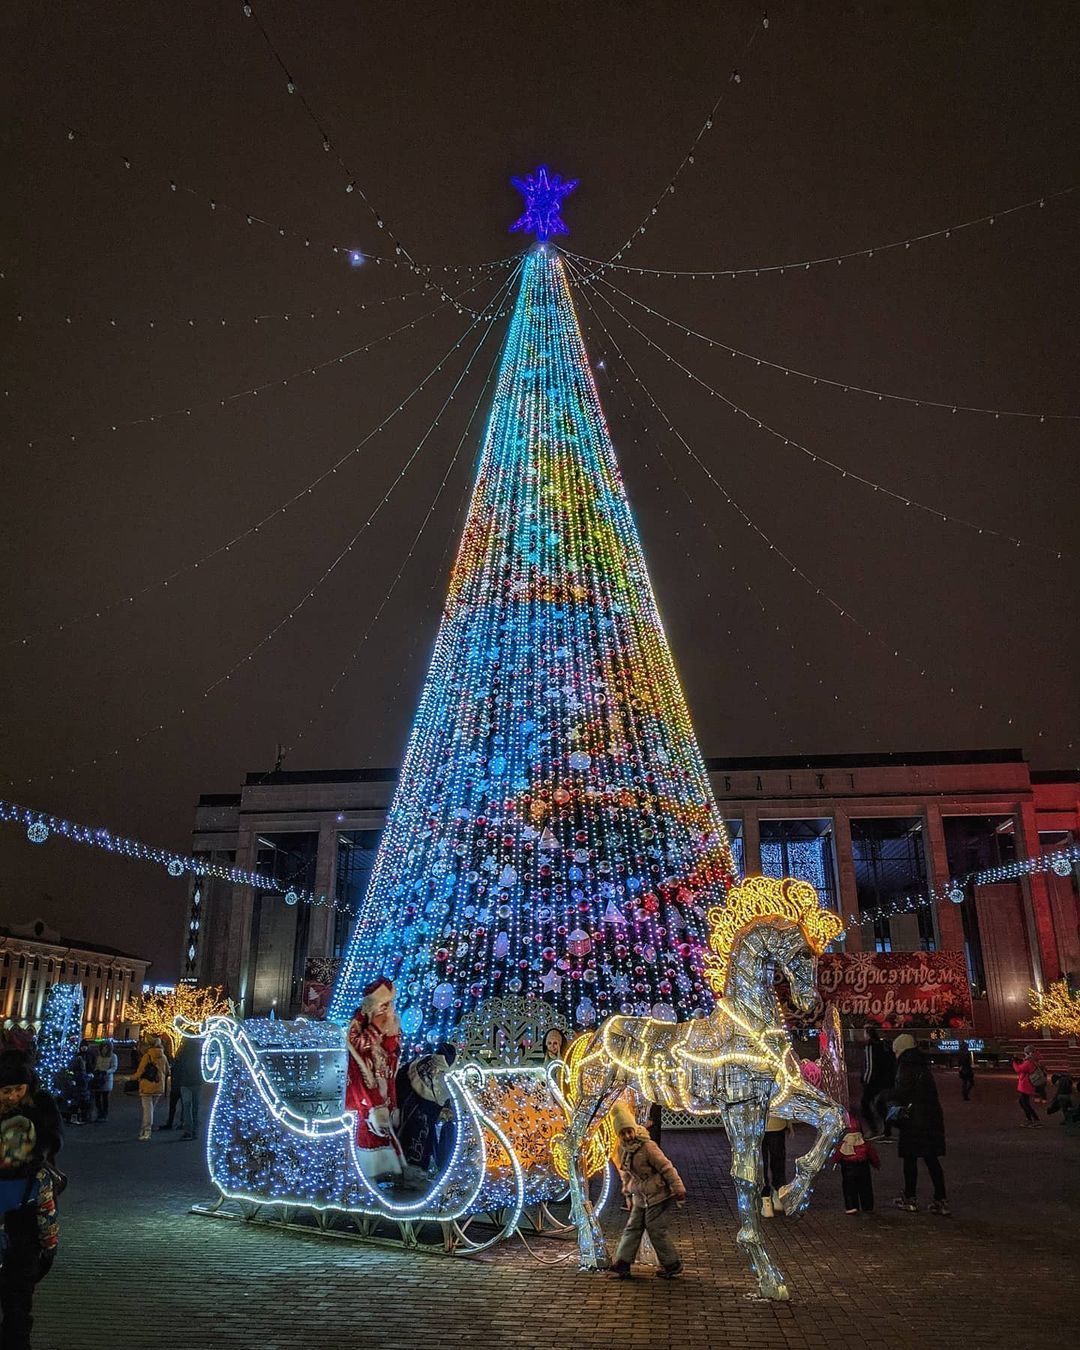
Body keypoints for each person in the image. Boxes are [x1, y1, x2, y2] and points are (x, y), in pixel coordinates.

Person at [0, 1050, 61, 1350]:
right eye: (6, 1091)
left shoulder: (39, 1108)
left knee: (17, 1306)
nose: (12, 1096)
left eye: (18, 1090)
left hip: (22, 1226)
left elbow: (52, 1141)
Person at [608, 1100, 686, 1280]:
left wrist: (678, 1189)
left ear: (634, 1129)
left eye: (629, 1131)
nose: (628, 1136)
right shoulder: (622, 1149)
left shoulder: (647, 1146)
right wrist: (627, 1194)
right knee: (632, 1227)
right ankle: (622, 1263)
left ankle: (672, 1264)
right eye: (623, 1133)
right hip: (640, 1196)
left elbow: (666, 1167)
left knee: (655, 1228)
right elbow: (626, 1174)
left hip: (657, 1194)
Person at [880, 1033, 949, 1215]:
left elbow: (903, 1092)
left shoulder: (905, 1065)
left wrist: (885, 1095)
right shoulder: (922, 1064)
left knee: (910, 1160)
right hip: (931, 1118)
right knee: (931, 1160)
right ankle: (941, 1200)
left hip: (914, 1121)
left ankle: (910, 1198)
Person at [345, 979, 403, 1181]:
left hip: (384, 1084)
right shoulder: (361, 1023)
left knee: (385, 1133)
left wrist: (389, 1034)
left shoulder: (389, 1021)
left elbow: (392, 1051)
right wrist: (376, 1029)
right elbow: (357, 1046)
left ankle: (387, 1173)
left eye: (390, 1004)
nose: (389, 1009)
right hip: (364, 1089)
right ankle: (366, 1174)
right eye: (384, 1005)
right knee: (367, 1132)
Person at [395, 1043, 456, 1185]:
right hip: (412, 1108)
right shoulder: (419, 1067)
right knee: (414, 1137)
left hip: (423, 1113)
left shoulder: (440, 1071)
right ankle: (409, 1174)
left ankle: (416, 1172)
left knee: (423, 1138)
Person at [833, 1107, 880, 1213]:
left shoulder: (844, 1145)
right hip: (863, 1165)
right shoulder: (864, 1144)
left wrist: (835, 1161)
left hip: (848, 1166)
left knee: (849, 1187)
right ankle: (867, 1205)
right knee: (865, 1187)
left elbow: (837, 1154)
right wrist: (876, 1164)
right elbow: (872, 1154)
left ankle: (851, 1206)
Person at [860, 1025, 896, 1141]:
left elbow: (870, 1066)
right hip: (885, 1081)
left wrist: (865, 1081)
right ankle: (887, 1130)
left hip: (874, 1082)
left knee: (865, 1104)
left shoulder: (870, 1047)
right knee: (880, 1104)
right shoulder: (883, 1045)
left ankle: (873, 1129)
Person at [133, 1037, 170, 1141]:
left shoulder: (147, 1056)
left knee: (147, 1110)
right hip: (159, 1086)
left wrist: (131, 1078)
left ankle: (146, 1130)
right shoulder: (163, 1057)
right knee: (150, 1109)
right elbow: (168, 1071)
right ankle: (144, 1129)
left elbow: (140, 1072)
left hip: (146, 1085)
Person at [171, 1036, 204, 1141]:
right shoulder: (200, 1053)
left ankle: (188, 1131)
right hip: (197, 1082)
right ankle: (195, 1131)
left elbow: (177, 1067)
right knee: (195, 1107)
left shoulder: (183, 1053)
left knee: (186, 1107)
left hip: (185, 1083)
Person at [760, 1112, 792, 1218]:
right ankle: (779, 1193)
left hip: (757, 1123)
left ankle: (766, 1200)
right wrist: (788, 1122)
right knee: (778, 1160)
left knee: (761, 1163)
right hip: (777, 1122)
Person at [1011, 1046, 1042, 1127]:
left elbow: (1019, 1070)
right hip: (1027, 1084)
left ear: (1029, 1053)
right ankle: (1031, 1119)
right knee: (1023, 1102)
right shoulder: (1032, 1060)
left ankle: (1035, 1120)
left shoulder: (1029, 1062)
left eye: (1025, 1053)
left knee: (1025, 1103)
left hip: (1026, 1085)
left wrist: (1014, 1062)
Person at [92, 1040, 118, 1122]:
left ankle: (104, 1114)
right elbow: (96, 1065)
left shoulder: (113, 1056)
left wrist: (106, 1072)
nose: (104, 1049)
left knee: (105, 1098)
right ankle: (99, 1113)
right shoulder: (99, 1056)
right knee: (97, 1098)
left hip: (106, 1079)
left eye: (106, 1047)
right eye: (103, 1047)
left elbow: (114, 1067)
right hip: (98, 1079)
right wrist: (96, 1071)